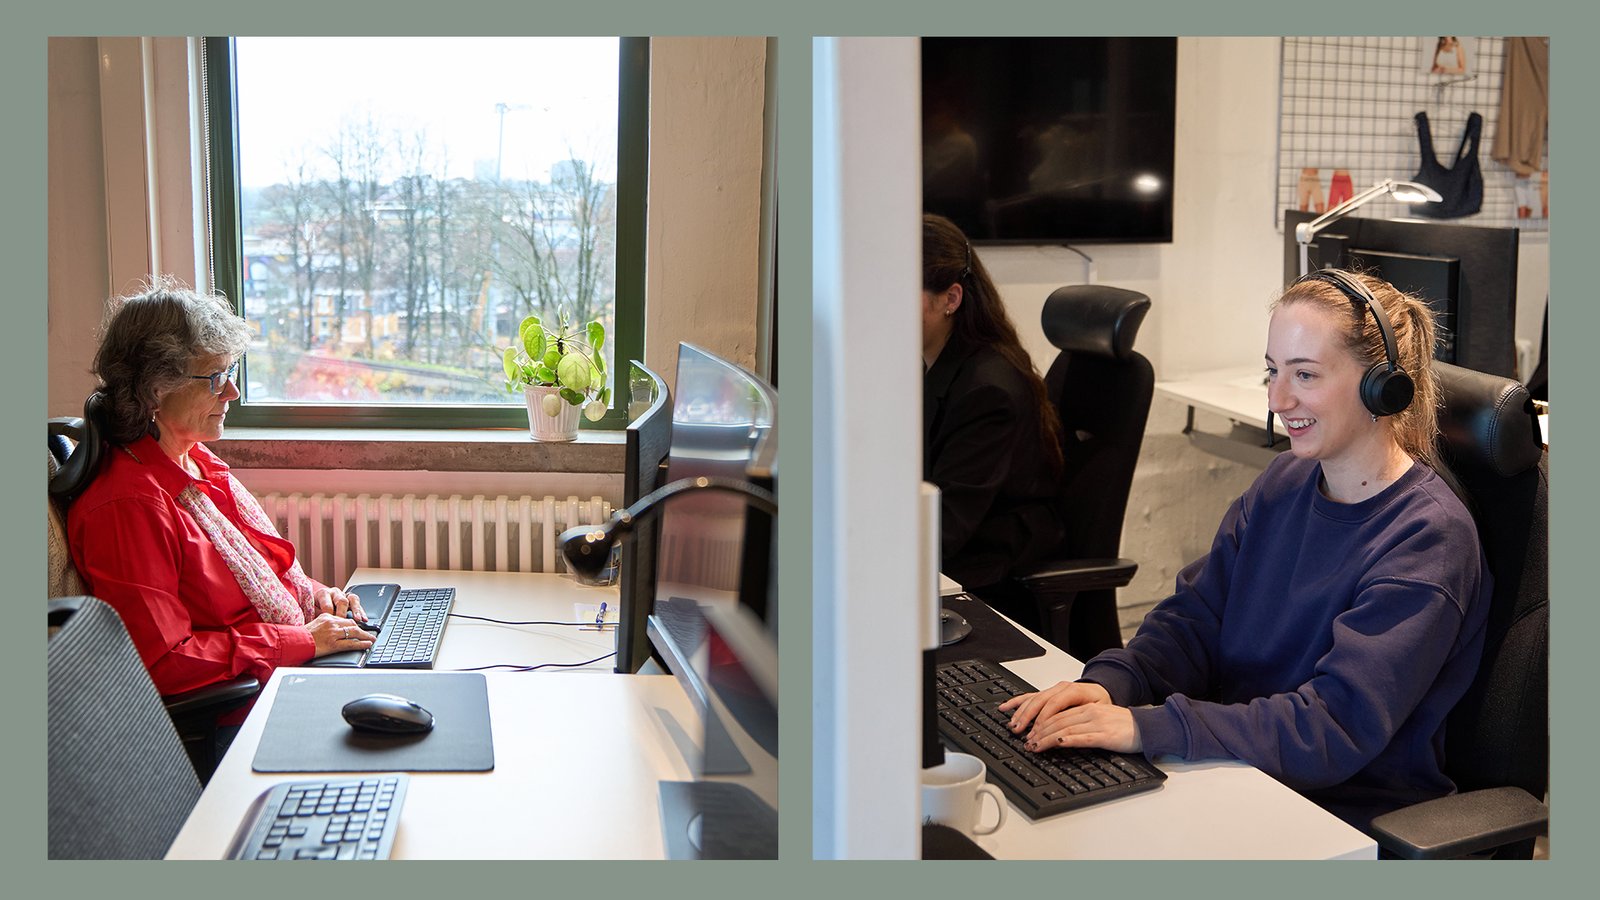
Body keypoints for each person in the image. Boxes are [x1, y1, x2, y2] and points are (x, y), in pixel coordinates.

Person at [999, 269, 1491, 832]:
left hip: (1340, 817)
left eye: (1304, 374)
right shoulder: (1284, 480)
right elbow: (1195, 620)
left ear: (1383, 386)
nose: (1278, 399)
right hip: (1241, 774)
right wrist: (1109, 685)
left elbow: (1330, 730)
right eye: (1273, 371)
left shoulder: (1427, 538)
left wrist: (1146, 728)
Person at [66, 283, 377, 711]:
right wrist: (302, 640)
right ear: (156, 389)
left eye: (229, 374)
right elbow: (162, 661)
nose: (231, 393)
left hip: (284, 675)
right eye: (215, 379)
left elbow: (266, 583)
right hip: (247, 710)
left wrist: (316, 596)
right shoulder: (128, 507)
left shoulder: (196, 463)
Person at [922, 213, 1064, 609]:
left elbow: (944, 527)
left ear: (950, 299)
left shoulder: (987, 389)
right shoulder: (930, 362)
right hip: (952, 557)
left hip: (988, 579)